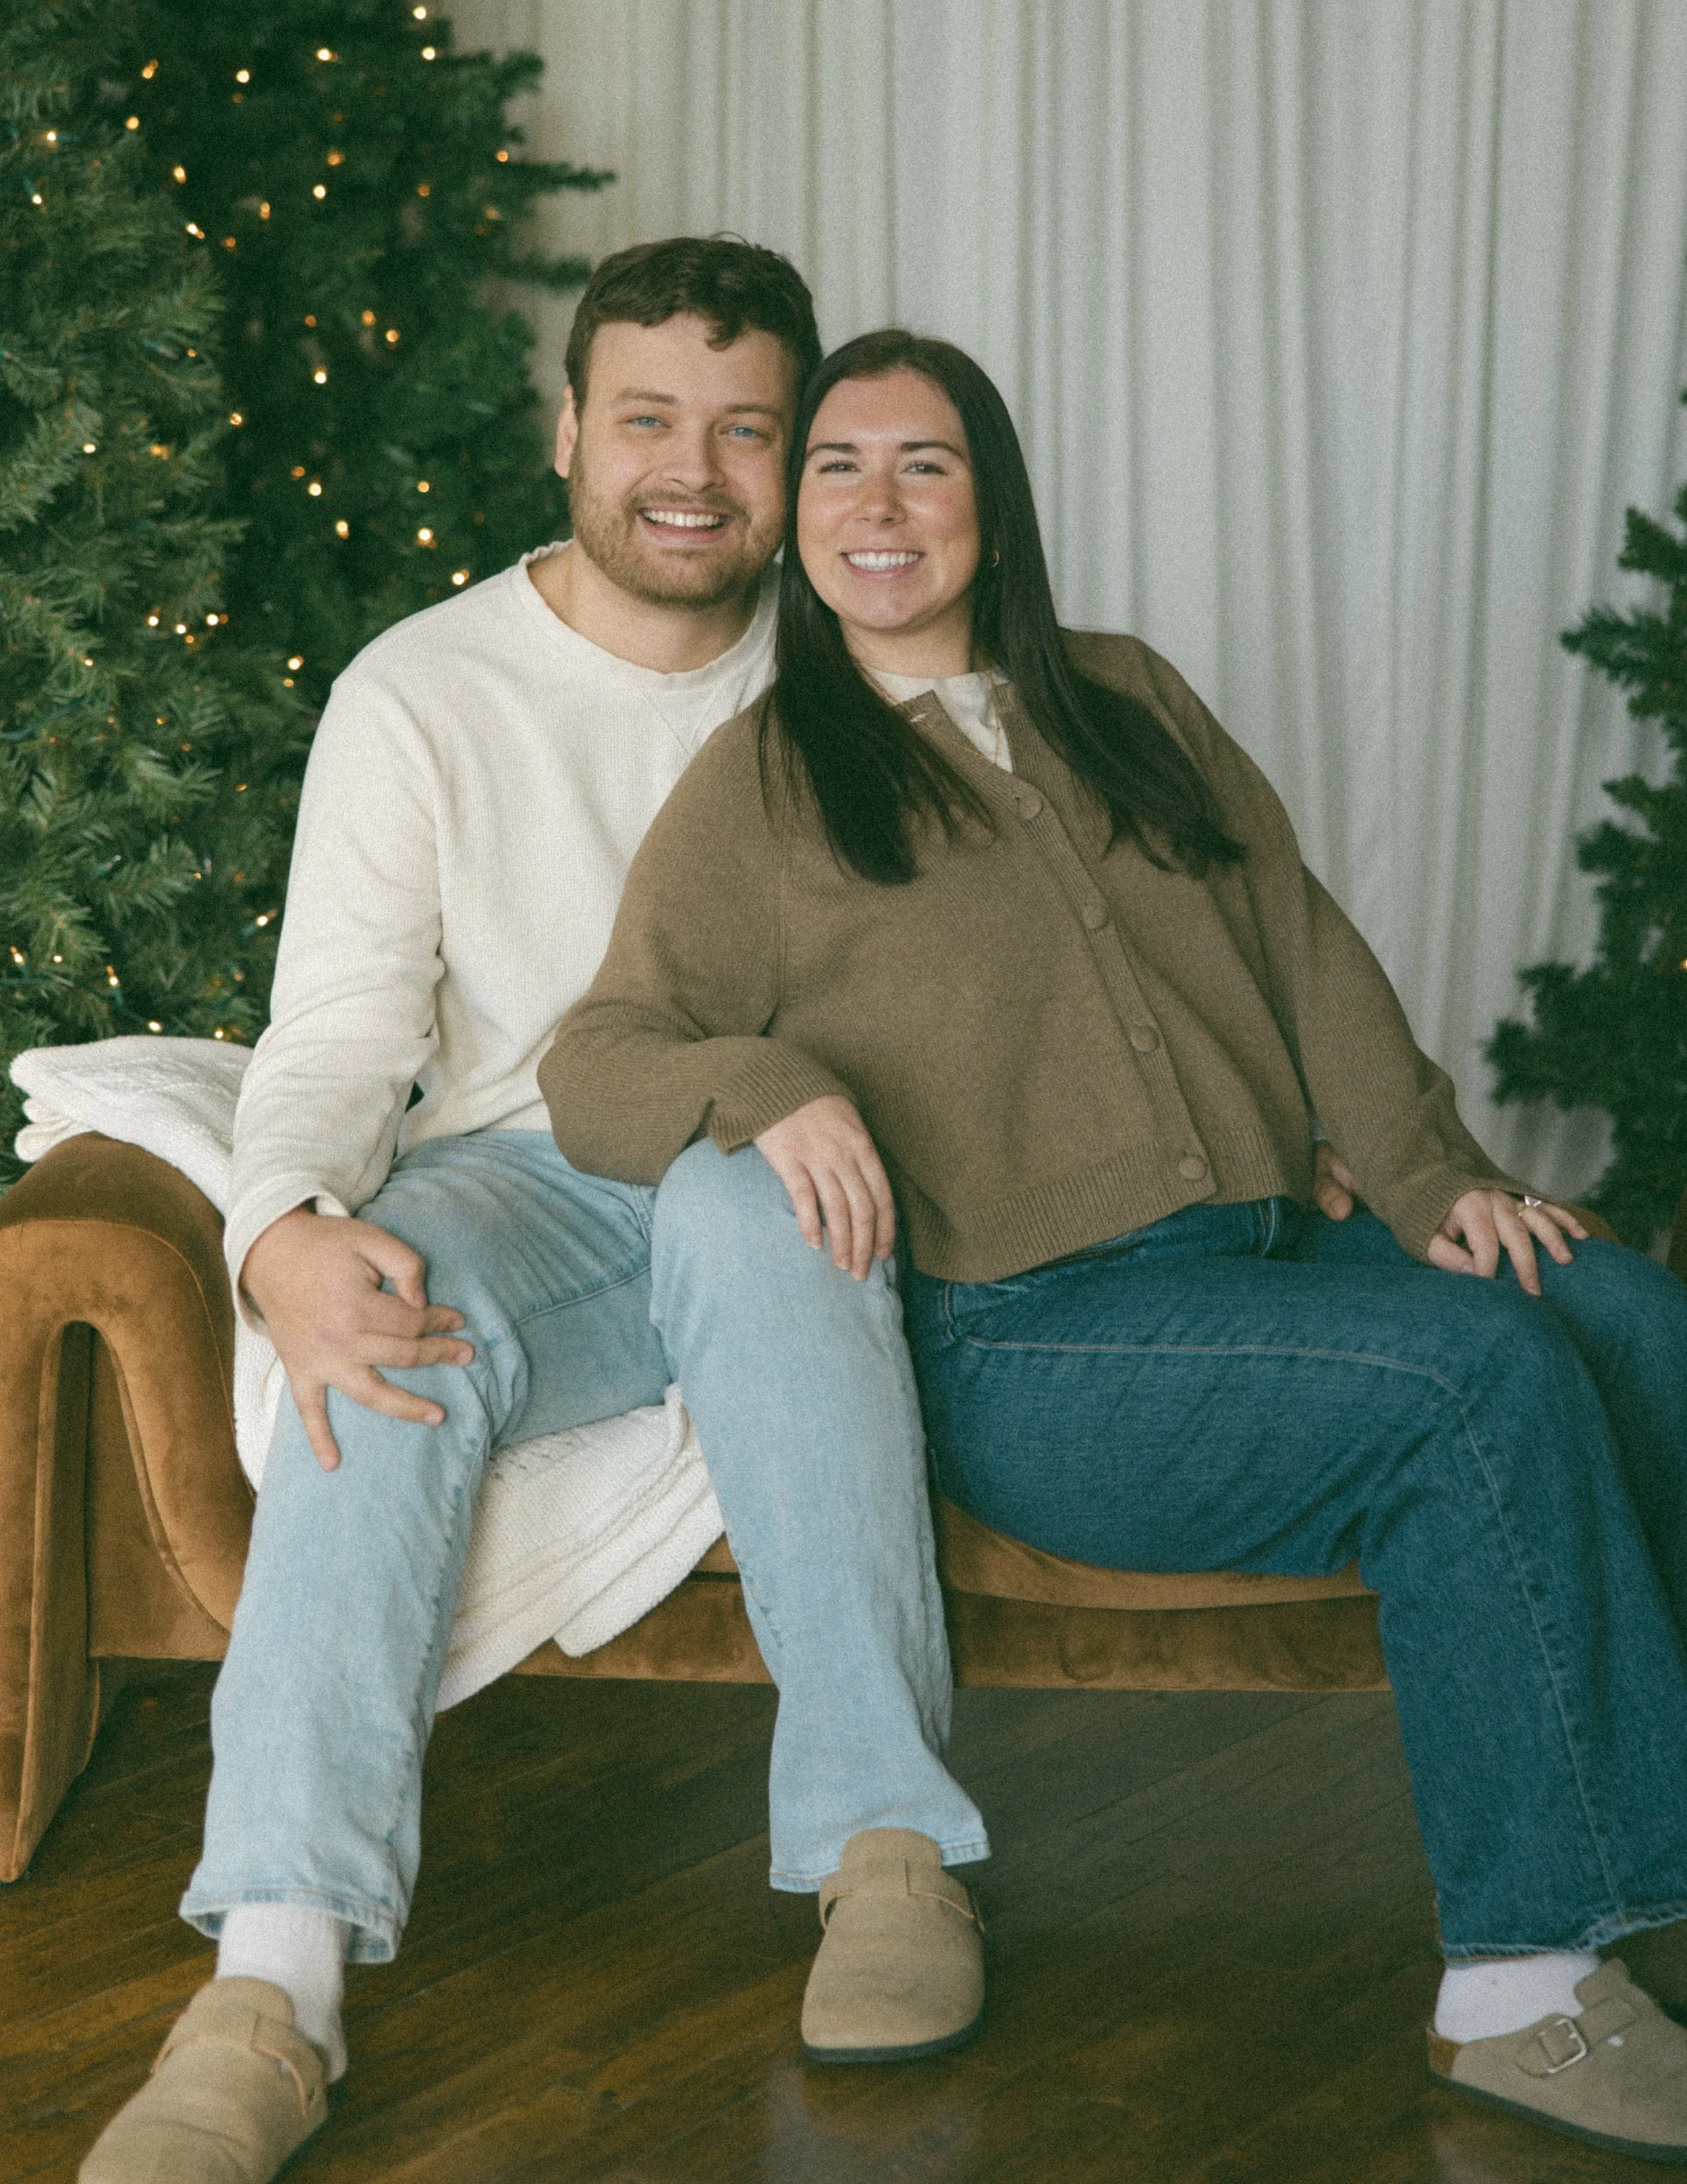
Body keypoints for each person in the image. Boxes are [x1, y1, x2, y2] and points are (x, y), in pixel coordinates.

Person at [541, 327, 1687, 2165]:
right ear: (792, 518)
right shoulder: (762, 785)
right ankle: (1522, 1984)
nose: (875, 505)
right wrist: (767, 1083)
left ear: (990, 504)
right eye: (834, 465)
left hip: (1263, 1263)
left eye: (923, 464)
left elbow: (1301, 943)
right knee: (1464, 1378)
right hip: (1031, 1342)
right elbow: (596, 1059)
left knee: (1612, 1305)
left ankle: (1641, 1879)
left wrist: (1426, 1176)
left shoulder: (1122, 694)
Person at [81, 243, 1003, 2184]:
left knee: (763, 1214)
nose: (696, 470)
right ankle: (270, 1981)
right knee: (377, 1328)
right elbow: (336, 1030)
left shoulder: (851, 659)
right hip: (529, 1183)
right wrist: (283, 1230)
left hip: (788, 1169)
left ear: (796, 458)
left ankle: (882, 1850)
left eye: (748, 430)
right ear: (570, 430)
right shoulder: (423, 690)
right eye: (648, 419)